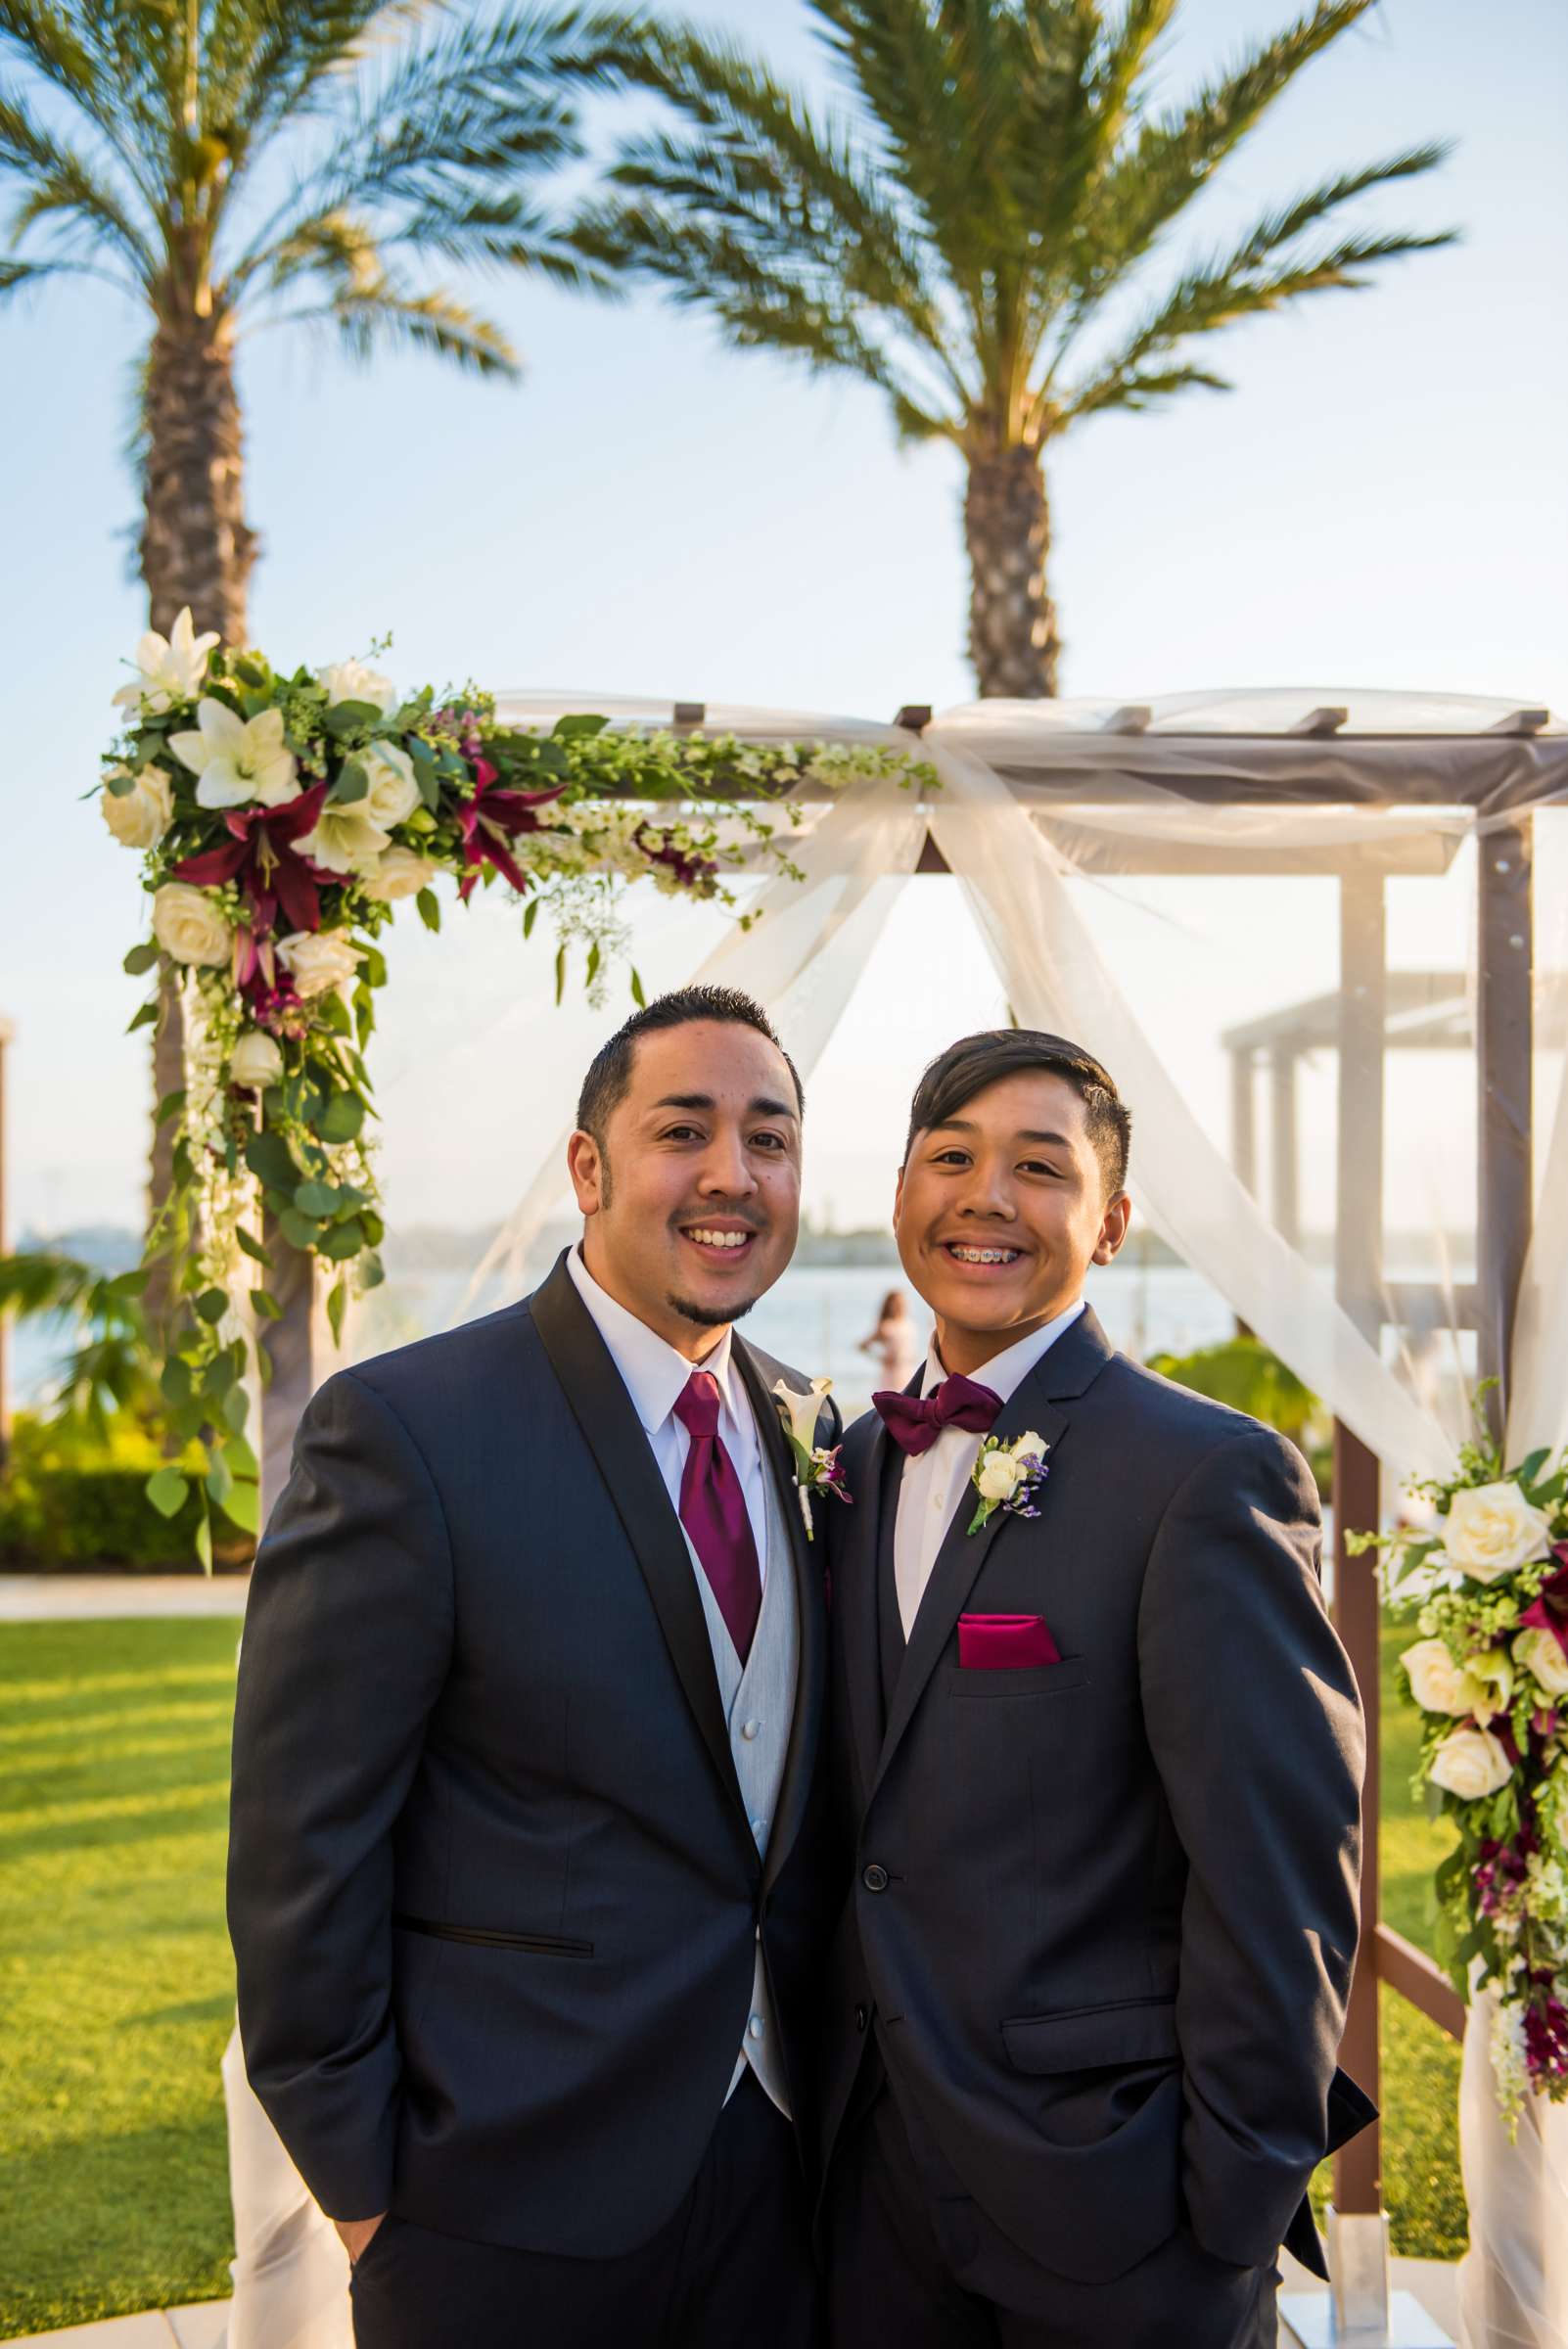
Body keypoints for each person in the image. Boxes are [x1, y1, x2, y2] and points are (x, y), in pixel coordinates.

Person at [228, 985, 841, 2349]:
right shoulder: (407, 1430)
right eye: (683, 1130)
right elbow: (301, 1846)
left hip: (786, 2184)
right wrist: (365, 2187)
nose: (731, 1177)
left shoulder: (819, 1429)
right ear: (587, 1165)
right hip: (494, 2200)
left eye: (770, 1138)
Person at [818, 1028, 1373, 2349]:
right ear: (900, 1193)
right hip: (866, 2196)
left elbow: (1280, 1872)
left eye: (1038, 1166)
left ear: (1110, 1223)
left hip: (1115, 2211)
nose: (985, 1197)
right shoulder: (851, 1466)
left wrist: (1227, 2215)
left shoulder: (1202, 1475)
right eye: (949, 1156)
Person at [859, 1287, 920, 1392]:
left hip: (908, 1369)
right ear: (890, 1305)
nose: (900, 1306)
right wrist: (880, 1358)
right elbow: (863, 1346)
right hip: (892, 1373)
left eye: (902, 1302)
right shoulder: (887, 1326)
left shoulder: (908, 1323)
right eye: (896, 1303)